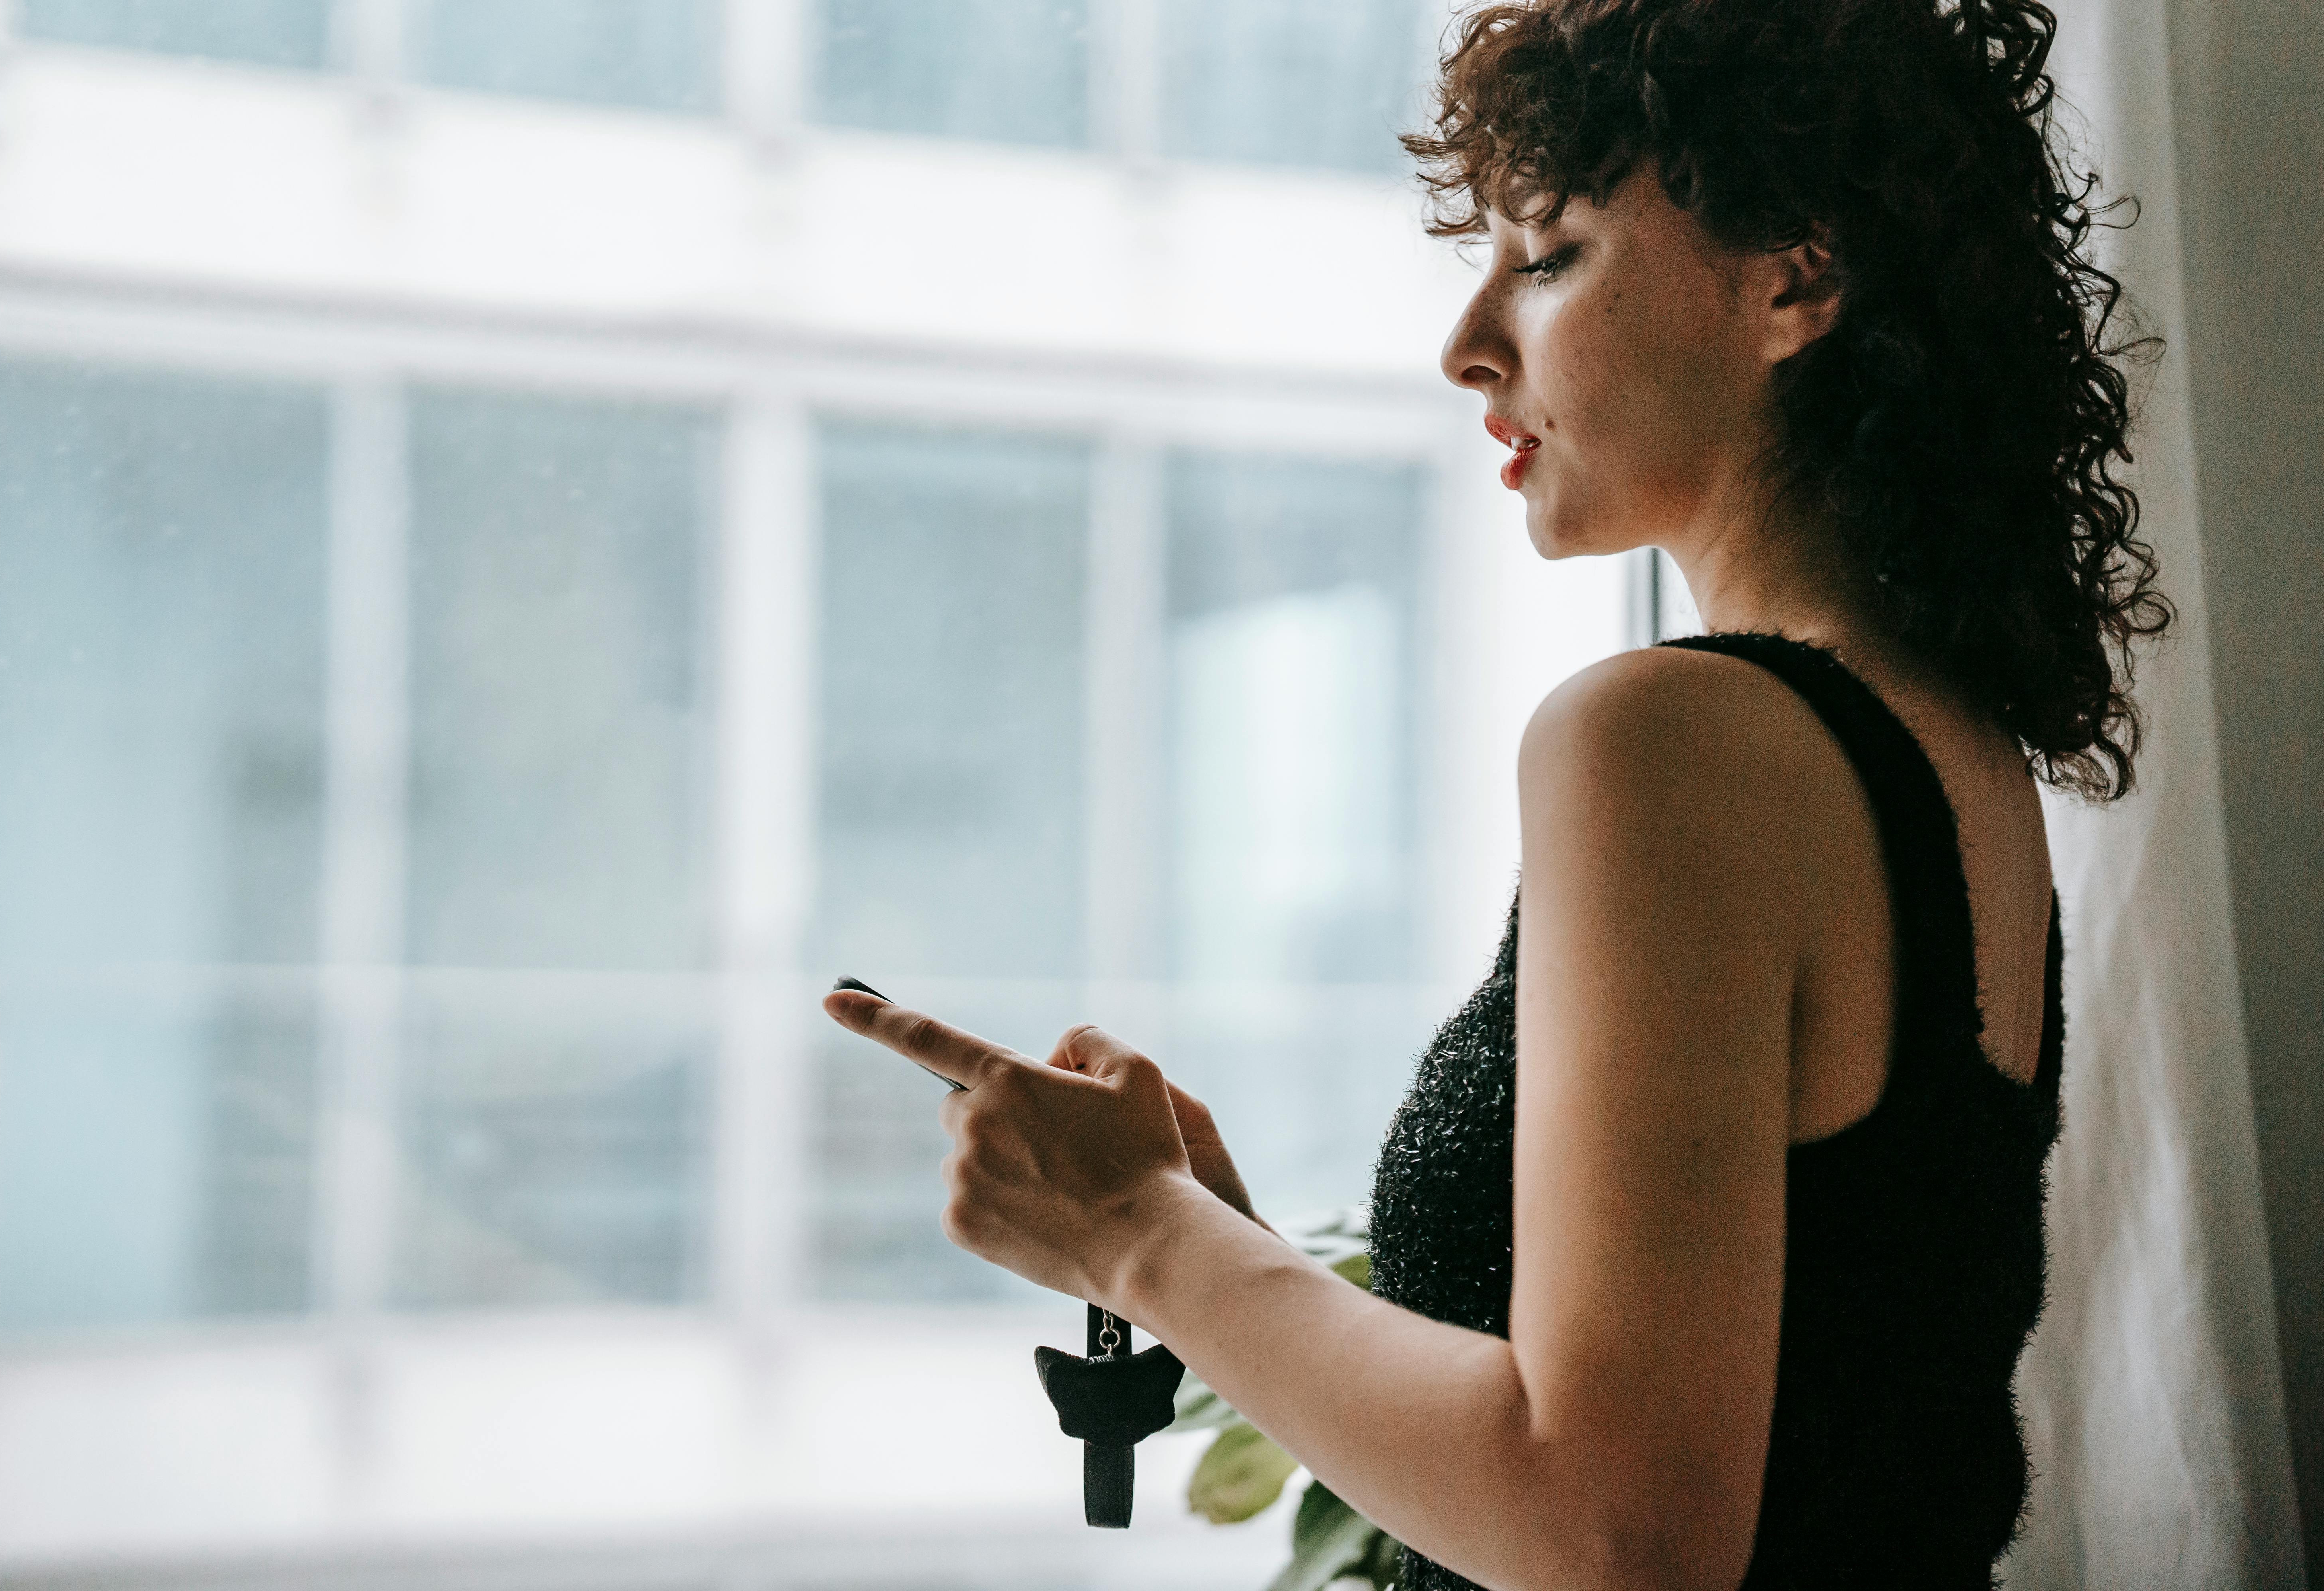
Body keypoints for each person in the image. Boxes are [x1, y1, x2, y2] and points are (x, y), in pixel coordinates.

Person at [823, 0, 2171, 1585]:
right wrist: (1233, 1249)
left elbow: (1616, 1537)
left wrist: (1138, 1235)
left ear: (1796, 276)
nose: (1468, 343)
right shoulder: (1955, 752)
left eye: (1547, 257)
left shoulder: (1675, 737)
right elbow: (1778, 1422)